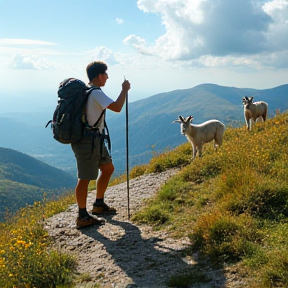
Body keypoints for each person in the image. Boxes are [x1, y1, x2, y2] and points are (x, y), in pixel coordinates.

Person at [72, 61, 131, 229]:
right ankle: (82, 216)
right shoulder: (96, 93)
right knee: (84, 178)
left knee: (108, 168)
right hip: (87, 141)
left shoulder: (86, 91)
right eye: (105, 74)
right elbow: (118, 107)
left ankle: (98, 204)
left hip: (94, 139)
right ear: (99, 76)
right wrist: (124, 90)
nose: (107, 77)